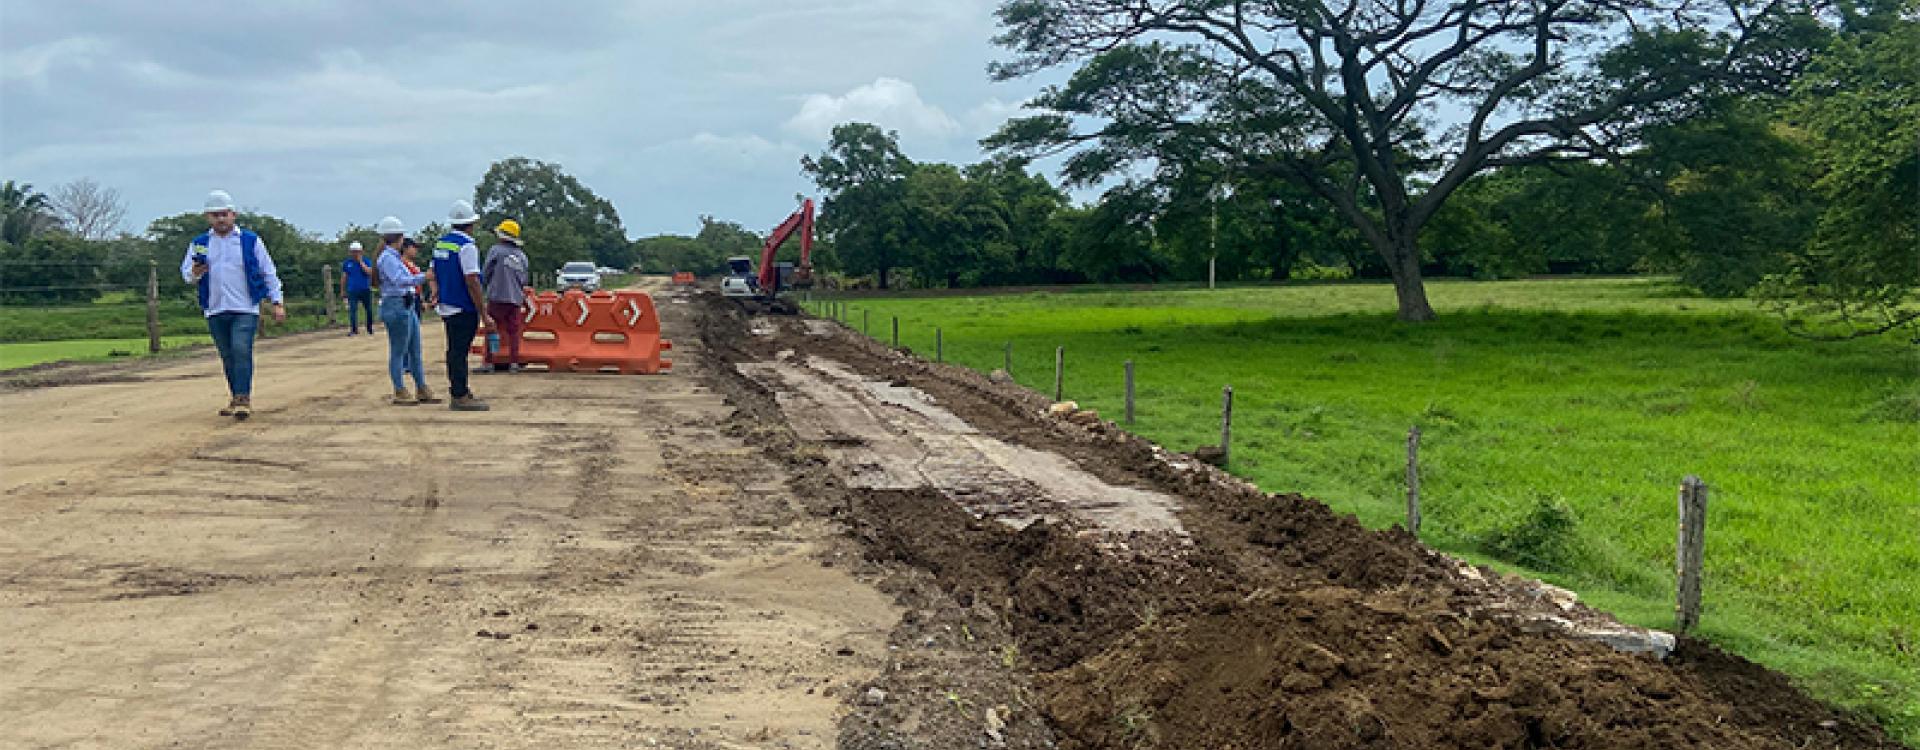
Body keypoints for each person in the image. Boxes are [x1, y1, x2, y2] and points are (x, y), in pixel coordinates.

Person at [180, 189, 286, 420]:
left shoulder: (250, 241)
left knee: (241, 349)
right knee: (227, 355)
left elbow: (268, 271)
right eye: (215, 215)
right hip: (215, 306)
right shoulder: (200, 243)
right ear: (208, 217)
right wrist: (195, 272)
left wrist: (277, 301)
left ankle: (243, 397)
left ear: (233, 214)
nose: (220, 219)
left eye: (224, 214)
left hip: (245, 307)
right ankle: (235, 396)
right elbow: (186, 274)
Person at [431, 200, 494, 411]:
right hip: (463, 305)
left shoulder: (441, 244)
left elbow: (433, 273)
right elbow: (471, 279)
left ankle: (460, 390)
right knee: (459, 352)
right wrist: (483, 311)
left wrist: (436, 292)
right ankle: (459, 394)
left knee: (454, 350)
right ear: (471, 224)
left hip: (447, 304)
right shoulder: (467, 246)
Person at [373, 217, 440, 405]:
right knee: (399, 350)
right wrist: (423, 277)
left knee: (414, 349)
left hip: (405, 304)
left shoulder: (390, 257)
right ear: (400, 238)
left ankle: (420, 387)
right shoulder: (388, 259)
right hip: (397, 304)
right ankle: (400, 389)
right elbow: (400, 280)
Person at [480, 218, 532, 373]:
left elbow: (486, 272)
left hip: (497, 296)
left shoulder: (495, 251)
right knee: (514, 332)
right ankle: (513, 362)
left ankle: (490, 361)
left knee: (492, 329)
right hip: (515, 298)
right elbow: (524, 279)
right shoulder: (522, 256)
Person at [341, 241, 375, 336]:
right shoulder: (347, 263)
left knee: (368, 309)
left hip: (365, 289)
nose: (355, 254)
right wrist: (343, 290)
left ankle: (369, 327)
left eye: (357, 251)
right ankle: (354, 329)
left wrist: (361, 262)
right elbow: (344, 277)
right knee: (353, 310)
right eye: (353, 251)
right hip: (352, 290)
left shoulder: (367, 261)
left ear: (361, 252)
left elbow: (369, 272)